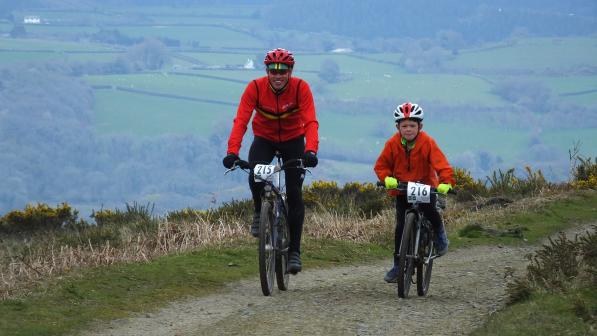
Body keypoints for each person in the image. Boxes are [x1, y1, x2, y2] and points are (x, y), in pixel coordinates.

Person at [222, 48, 319, 274]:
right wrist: (232, 152)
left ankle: (294, 251)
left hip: (294, 140)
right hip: (264, 138)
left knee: (294, 192)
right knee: (256, 175)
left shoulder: (300, 88)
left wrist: (311, 150)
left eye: (283, 71)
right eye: (273, 71)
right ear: (266, 71)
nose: (277, 75)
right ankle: (259, 212)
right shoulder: (255, 88)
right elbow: (241, 121)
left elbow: (310, 122)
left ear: (290, 71)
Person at [374, 102, 454, 283]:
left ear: (420, 126)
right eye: (404, 126)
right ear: (397, 127)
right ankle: (398, 265)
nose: (408, 129)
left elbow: (441, 164)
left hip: (425, 186)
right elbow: (382, 165)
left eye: (412, 125)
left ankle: (440, 236)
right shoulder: (392, 143)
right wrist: (386, 178)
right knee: (400, 227)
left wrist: (446, 182)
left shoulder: (427, 142)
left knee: (431, 212)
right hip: (402, 188)